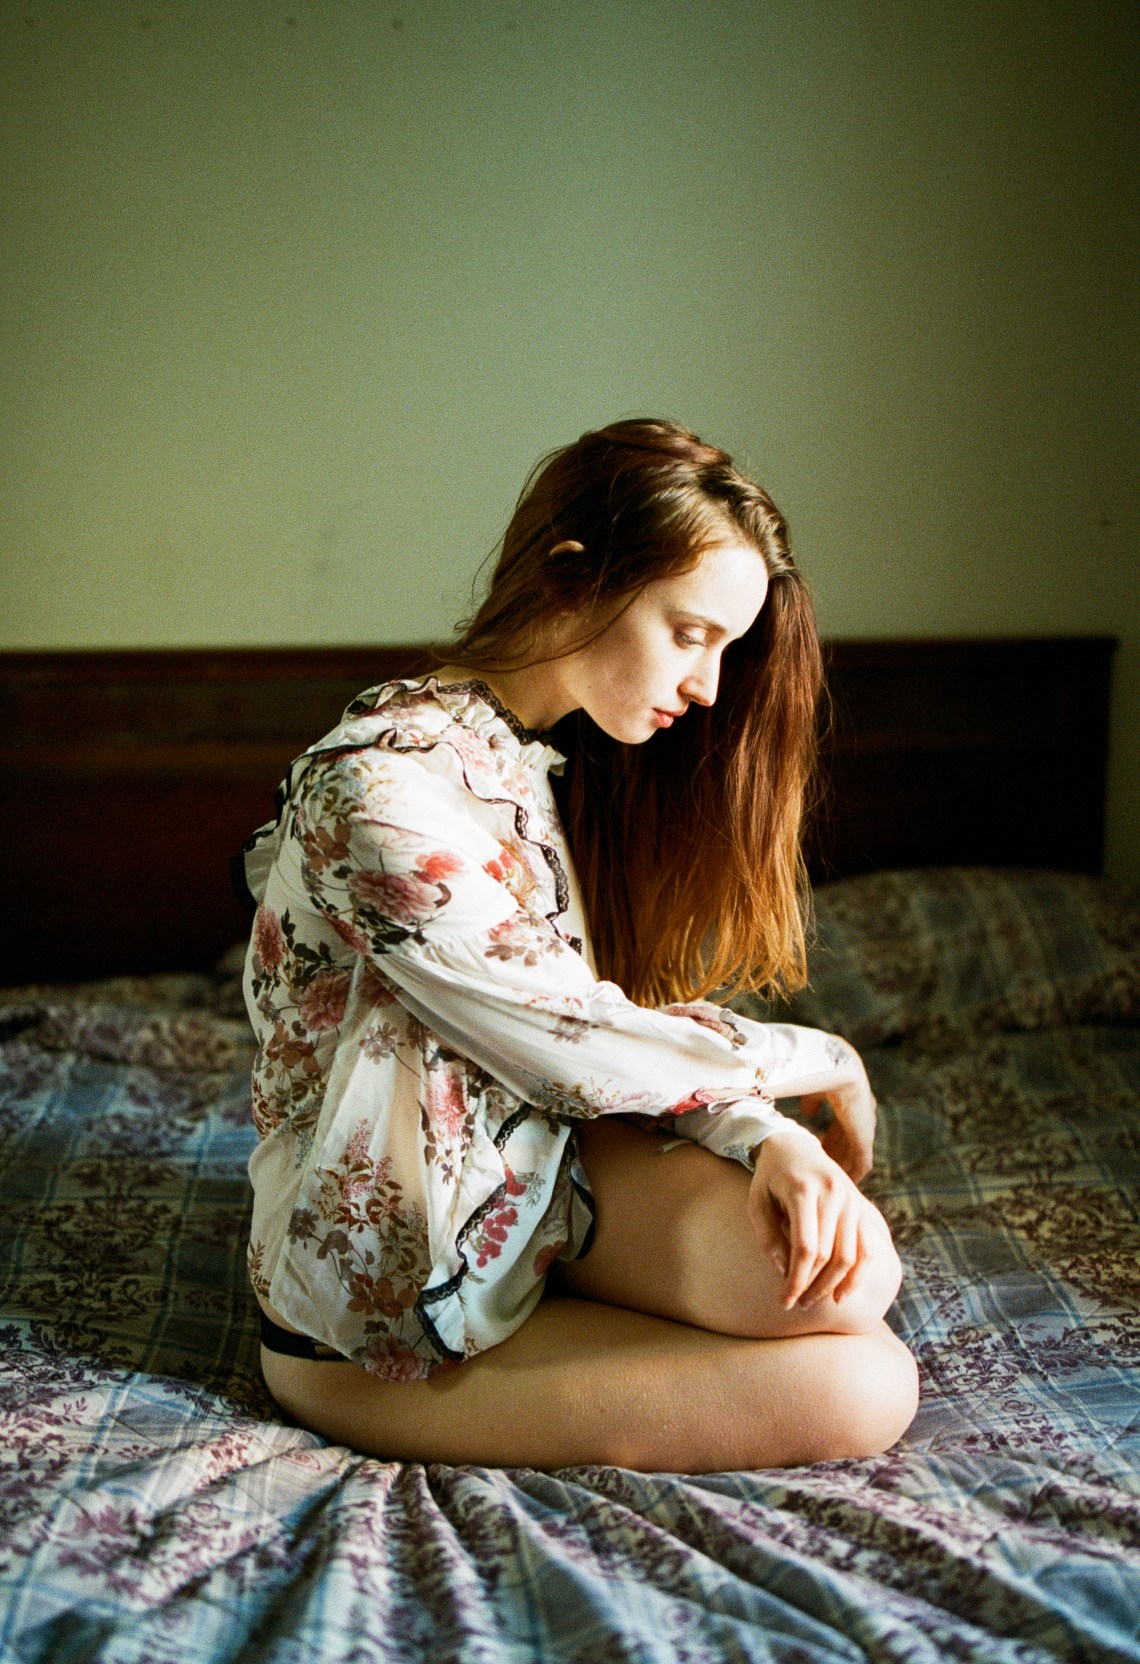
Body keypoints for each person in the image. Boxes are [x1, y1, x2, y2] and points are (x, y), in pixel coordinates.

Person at [235, 418, 919, 1472]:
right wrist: (819, 1059)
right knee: (865, 1384)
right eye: (691, 633)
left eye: (727, 650)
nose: (707, 688)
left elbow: (600, 1023)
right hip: (381, 1306)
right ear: (569, 580)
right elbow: (574, 1041)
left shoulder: (537, 764)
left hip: (543, 1177)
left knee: (854, 1278)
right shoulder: (376, 790)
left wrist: (764, 1138)